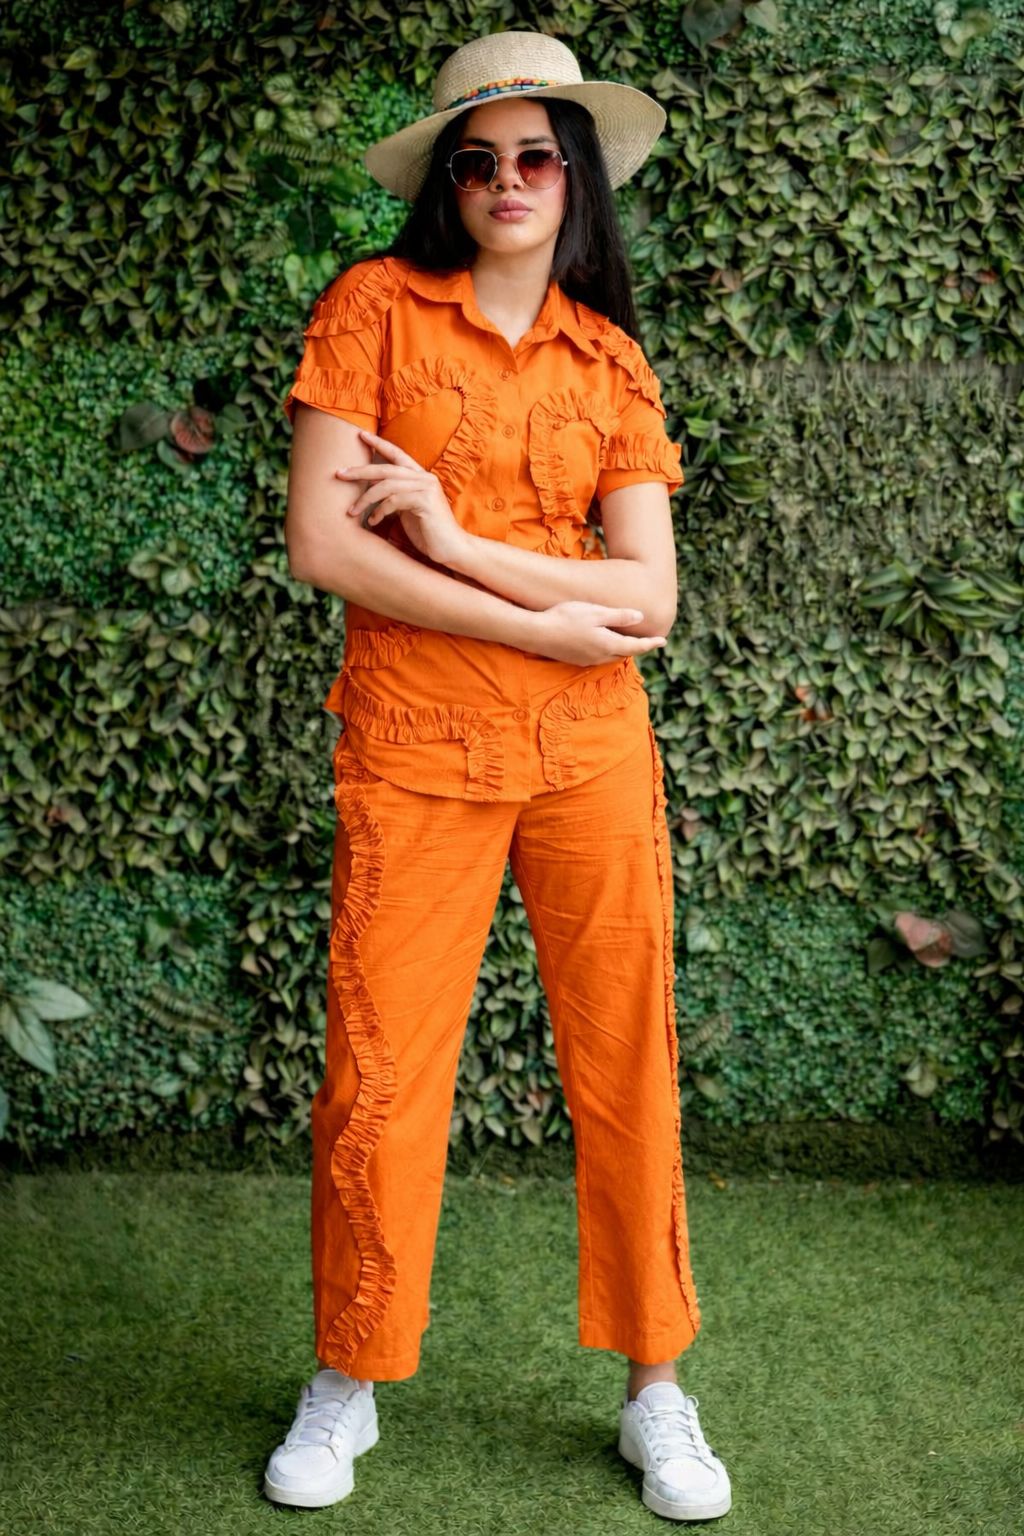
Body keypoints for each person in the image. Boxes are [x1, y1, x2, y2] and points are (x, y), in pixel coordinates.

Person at [263, 29, 732, 1524]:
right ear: (448, 184)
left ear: (575, 175)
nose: (508, 181)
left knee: (627, 1065)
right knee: (382, 1071)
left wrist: (454, 543)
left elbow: (649, 601)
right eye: (478, 161)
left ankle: (656, 1389)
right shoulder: (373, 309)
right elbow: (326, 546)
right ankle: (348, 1376)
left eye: (536, 156)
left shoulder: (612, 360)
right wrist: (545, 617)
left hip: (591, 759)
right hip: (413, 748)